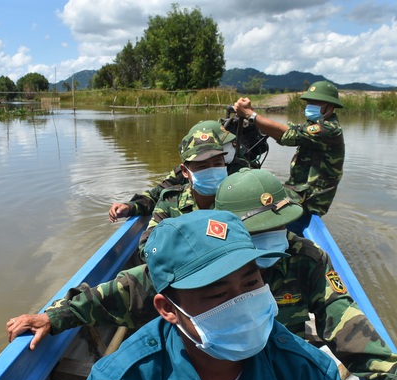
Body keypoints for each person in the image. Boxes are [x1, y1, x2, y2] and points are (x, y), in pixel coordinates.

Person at [7, 168, 397, 380]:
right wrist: (55, 315)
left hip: (283, 371)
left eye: (282, 226)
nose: (277, 241)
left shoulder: (303, 258)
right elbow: (122, 291)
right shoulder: (194, 268)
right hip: (207, 372)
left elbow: (345, 322)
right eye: (260, 230)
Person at [47, 210, 390, 380]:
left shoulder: (304, 371)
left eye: (251, 283)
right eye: (217, 294)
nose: (242, 302)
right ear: (168, 309)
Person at [234, 80, 345, 231]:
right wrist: (255, 119)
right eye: (309, 101)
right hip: (299, 189)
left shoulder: (329, 129)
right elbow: (289, 129)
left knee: (259, 198)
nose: (310, 105)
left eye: (316, 102)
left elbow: (288, 134)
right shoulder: (314, 123)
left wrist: (251, 115)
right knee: (260, 186)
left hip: (310, 197)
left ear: (330, 106)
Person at [107, 119, 254, 223]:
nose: (230, 147)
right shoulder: (184, 173)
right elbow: (156, 195)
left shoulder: (239, 170)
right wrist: (131, 206)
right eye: (201, 165)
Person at [135, 123, 228, 257]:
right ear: (185, 171)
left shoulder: (236, 198)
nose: (212, 171)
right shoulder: (170, 202)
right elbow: (148, 248)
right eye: (203, 166)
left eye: (218, 164)